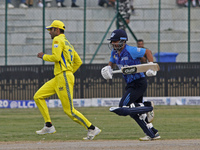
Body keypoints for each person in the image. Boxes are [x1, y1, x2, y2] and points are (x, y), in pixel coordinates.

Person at [34, 20, 101, 140]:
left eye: (51, 29)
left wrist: (43, 56)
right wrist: (68, 71)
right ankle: (48, 125)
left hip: (63, 76)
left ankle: (92, 128)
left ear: (57, 30)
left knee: (69, 110)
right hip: (61, 76)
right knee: (38, 96)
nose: (49, 32)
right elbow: (78, 61)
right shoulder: (68, 43)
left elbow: (56, 57)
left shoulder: (57, 40)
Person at [101, 29, 161, 141]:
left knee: (123, 106)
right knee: (135, 113)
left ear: (123, 41)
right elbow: (111, 63)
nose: (113, 43)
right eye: (112, 41)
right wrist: (108, 69)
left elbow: (147, 52)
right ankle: (152, 133)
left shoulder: (131, 50)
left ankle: (148, 107)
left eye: (115, 41)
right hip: (130, 84)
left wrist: (151, 65)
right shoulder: (114, 53)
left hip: (139, 83)